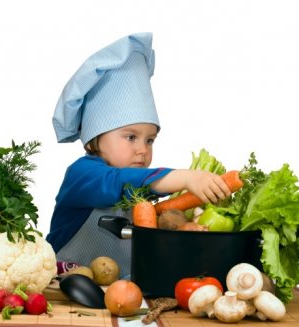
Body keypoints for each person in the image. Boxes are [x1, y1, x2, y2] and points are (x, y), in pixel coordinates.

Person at [47, 33, 230, 277]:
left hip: (122, 291)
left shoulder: (143, 190)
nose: (143, 149)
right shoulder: (83, 174)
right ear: (95, 139)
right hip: (65, 282)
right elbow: (118, 182)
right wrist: (186, 178)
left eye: (150, 139)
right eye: (131, 137)